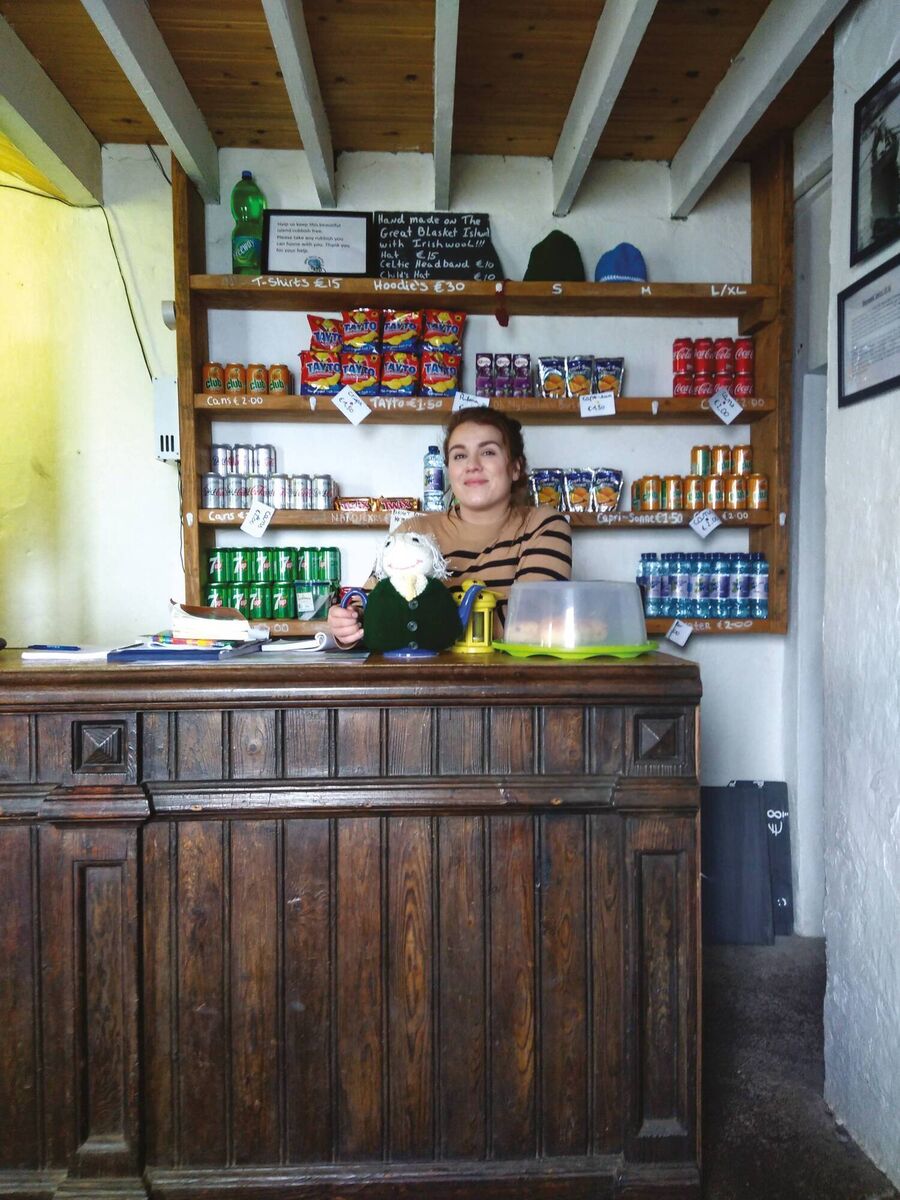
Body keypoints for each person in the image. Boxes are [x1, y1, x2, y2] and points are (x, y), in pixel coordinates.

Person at [328, 409, 572, 647]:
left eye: (488, 452)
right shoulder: (414, 530)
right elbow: (368, 610)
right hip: (418, 675)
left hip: (512, 675)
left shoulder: (542, 525)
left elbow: (531, 622)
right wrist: (346, 624)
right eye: (459, 456)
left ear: (516, 467)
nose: (472, 465)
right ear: (449, 470)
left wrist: (409, 623)